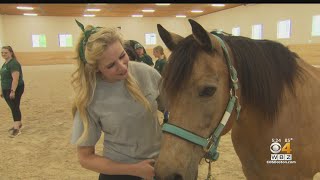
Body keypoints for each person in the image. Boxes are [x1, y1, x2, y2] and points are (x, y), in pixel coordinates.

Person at [71, 20, 163, 180]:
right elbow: (85, 158)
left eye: (122, 56)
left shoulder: (146, 73)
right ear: (96, 68)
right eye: (111, 65)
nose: (122, 67)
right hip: (121, 174)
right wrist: (134, 169)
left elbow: (176, 108)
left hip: (161, 167)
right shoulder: (90, 97)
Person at [0, 46, 25, 138]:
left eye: (5, 52)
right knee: (14, 106)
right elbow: (3, 78)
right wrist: (2, 90)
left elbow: (15, 79)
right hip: (6, 88)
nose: (3, 54)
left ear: (11, 52)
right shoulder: (5, 63)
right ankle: (18, 124)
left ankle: (16, 129)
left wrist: (12, 91)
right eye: (2, 52)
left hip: (15, 88)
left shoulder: (13, 63)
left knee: (14, 107)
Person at [152, 45, 169, 123]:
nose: (153, 54)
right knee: (160, 102)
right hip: (158, 84)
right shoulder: (158, 61)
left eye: (154, 52)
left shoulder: (164, 62)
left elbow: (164, 75)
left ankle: (166, 118)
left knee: (163, 102)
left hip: (162, 85)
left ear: (158, 52)